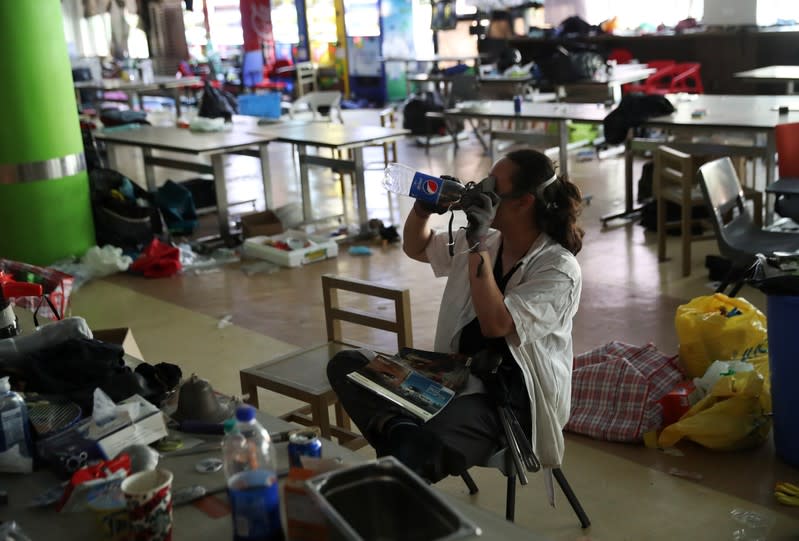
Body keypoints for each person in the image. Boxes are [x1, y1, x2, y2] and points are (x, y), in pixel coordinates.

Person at [327, 148, 584, 482]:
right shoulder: (488, 240)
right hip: (448, 376)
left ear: (523, 201)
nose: (479, 192)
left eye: (492, 187)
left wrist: (477, 245)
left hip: (507, 398)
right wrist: (423, 210)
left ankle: (404, 444)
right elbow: (417, 247)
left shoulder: (559, 269)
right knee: (346, 365)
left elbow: (496, 325)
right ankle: (403, 433)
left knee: (425, 446)